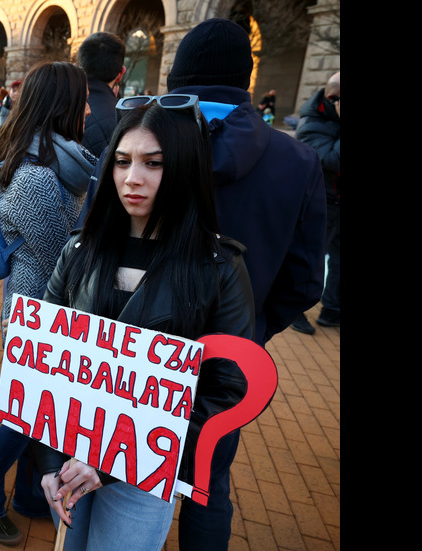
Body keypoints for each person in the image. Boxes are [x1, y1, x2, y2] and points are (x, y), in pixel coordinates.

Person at [35, 96, 254, 551]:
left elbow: (222, 394)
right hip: (71, 455)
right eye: (121, 161)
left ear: (183, 168)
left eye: (153, 164)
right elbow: (44, 361)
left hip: (146, 477)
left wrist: (120, 458)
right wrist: (49, 459)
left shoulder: (218, 269)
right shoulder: (81, 249)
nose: (132, 178)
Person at [162, 20, 326, 549]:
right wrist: (250, 326)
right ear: (246, 79)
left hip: (136, 349)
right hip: (231, 360)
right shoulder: (299, 159)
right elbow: (304, 281)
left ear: (177, 75)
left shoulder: (138, 142)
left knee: (121, 470)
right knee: (208, 482)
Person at [0, 62, 96, 546]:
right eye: (80, 99)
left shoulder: (55, 161)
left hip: (46, 305)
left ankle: (26, 495)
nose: (87, 108)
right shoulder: (37, 177)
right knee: (28, 415)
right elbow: (64, 254)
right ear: (61, 105)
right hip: (39, 308)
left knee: (40, 412)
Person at [293, 71, 340, 332]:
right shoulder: (311, 123)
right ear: (333, 99)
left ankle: (332, 310)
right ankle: (293, 311)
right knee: (309, 262)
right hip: (322, 204)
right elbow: (330, 161)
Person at [76, 32, 127, 157]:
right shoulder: (126, 119)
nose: (88, 110)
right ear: (121, 73)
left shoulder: (56, 106)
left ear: (78, 68)